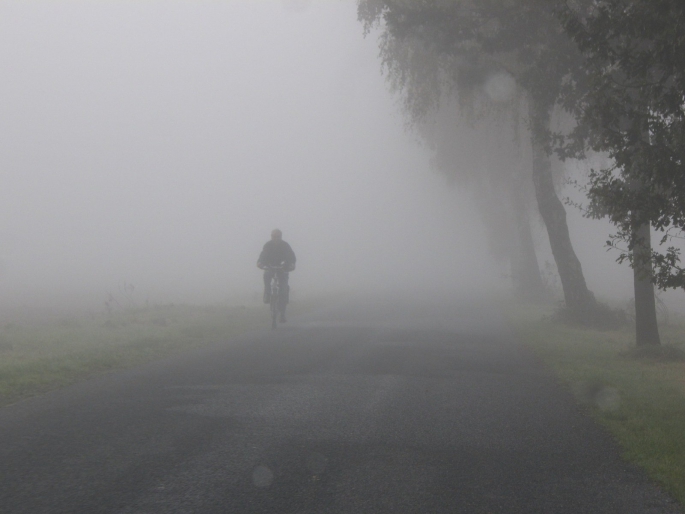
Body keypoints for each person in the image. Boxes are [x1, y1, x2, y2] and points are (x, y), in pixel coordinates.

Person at [257, 229, 296, 322]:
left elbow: (291, 256)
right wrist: (260, 263)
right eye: (274, 236)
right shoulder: (268, 245)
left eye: (278, 237)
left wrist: (291, 264)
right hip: (270, 267)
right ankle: (267, 293)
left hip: (283, 268)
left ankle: (282, 314)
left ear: (281, 237)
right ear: (271, 236)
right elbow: (263, 255)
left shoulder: (285, 245)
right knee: (266, 276)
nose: (276, 238)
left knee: (283, 290)